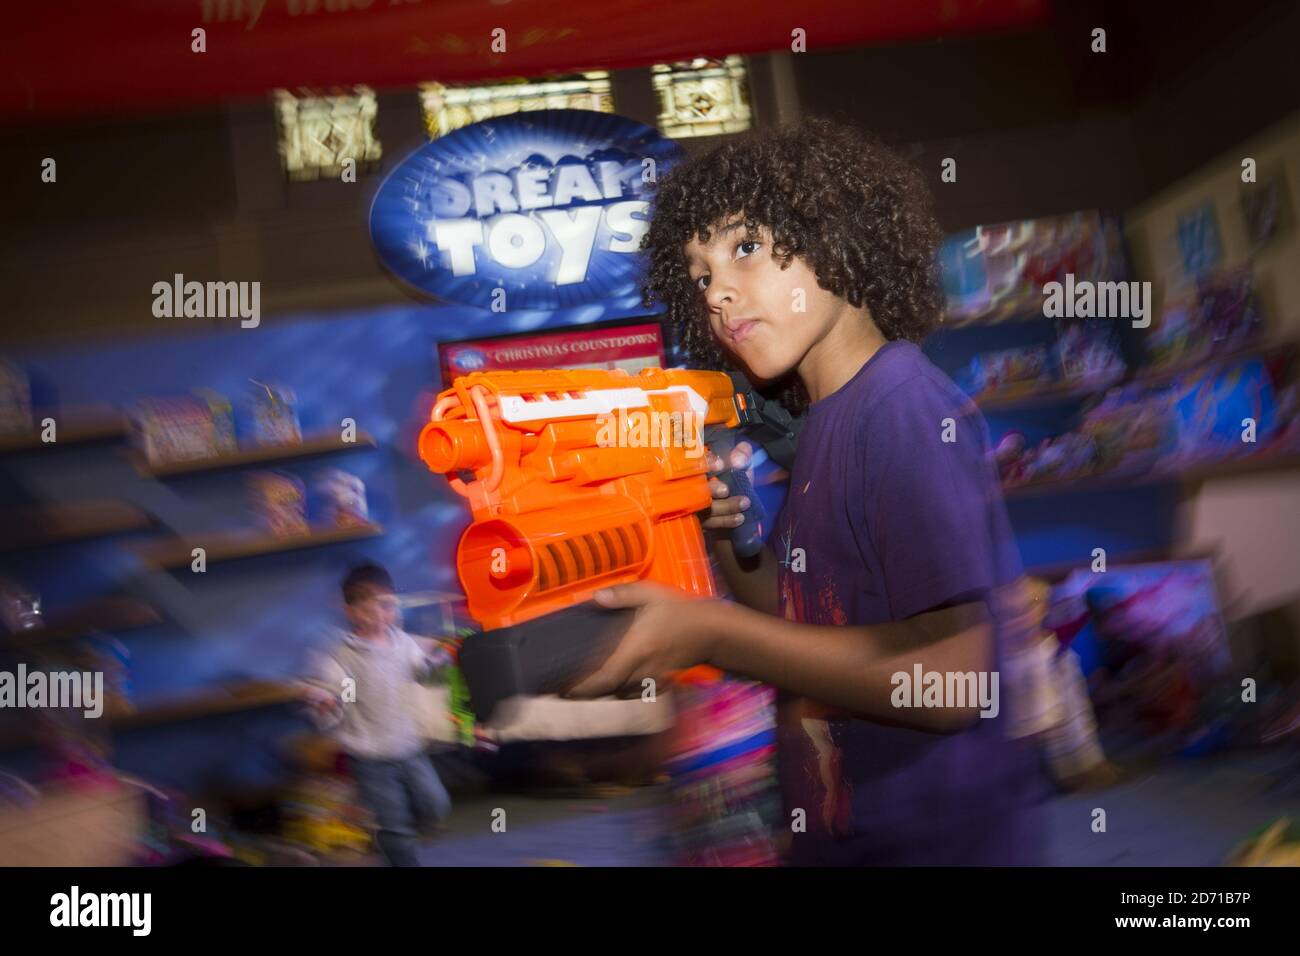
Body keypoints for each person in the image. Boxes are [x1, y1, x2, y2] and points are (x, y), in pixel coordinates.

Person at [566, 118, 1046, 865]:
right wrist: (724, 532)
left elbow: (952, 686)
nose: (719, 292)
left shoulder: (903, 411)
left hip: (936, 841)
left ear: (836, 238)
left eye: (745, 248)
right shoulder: (825, 419)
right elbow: (801, 619)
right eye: (699, 276)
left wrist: (708, 634)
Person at [302, 563, 454, 866]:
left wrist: (439, 660)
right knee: (393, 824)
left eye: (386, 607)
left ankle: (411, 834)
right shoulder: (342, 655)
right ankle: (400, 853)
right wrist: (328, 702)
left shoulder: (403, 642)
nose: (379, 616)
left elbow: (420, 670)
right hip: (369, 758)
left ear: (394, 604)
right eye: (367, 610)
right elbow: (337, 691)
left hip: (409, 748)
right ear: (350, 612)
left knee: (437, 804)